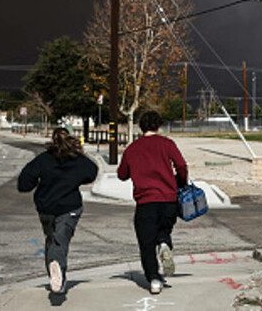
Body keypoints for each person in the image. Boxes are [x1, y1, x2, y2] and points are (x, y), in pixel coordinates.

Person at [17, 127, 98, 295]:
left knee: (52, 240)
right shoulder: (77, 159)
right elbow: (92, 171)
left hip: (45, 206)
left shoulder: (43, 159)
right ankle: (57, 269)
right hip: (69, 206)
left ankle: (57, 279)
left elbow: (24, 183)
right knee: (60, 241)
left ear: (52, 141)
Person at [117, 110, 188, 295]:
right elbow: (181, 165)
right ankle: (164, 244)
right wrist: (180, 181)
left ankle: (154, 279)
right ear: (159, 126)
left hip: (145, 201)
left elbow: (122, 174)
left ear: (140, 127)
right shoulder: (167, 144)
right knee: (163, 229)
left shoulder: (132, 148)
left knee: (146, 242)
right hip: (168, 199)